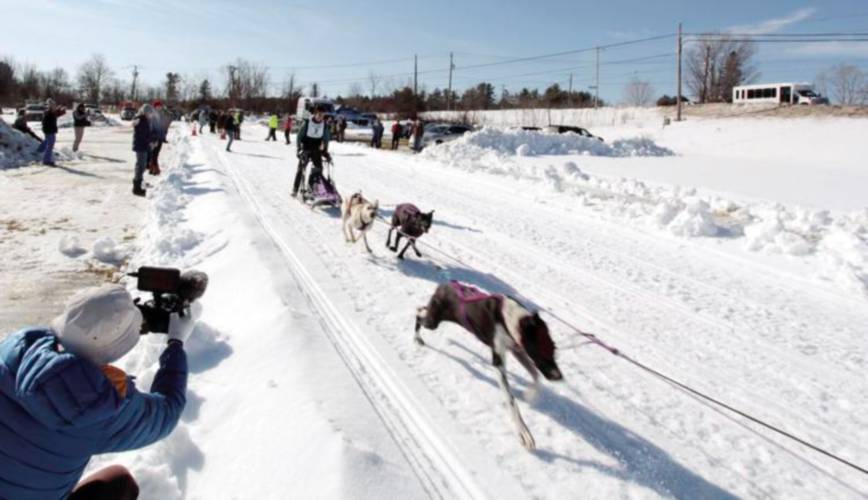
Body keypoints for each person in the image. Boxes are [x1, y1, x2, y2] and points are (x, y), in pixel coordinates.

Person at [0, 284, 200, 499]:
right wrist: (176, 342)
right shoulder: (95, 408)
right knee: (119, 483)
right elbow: (166, 413)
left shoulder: (15, 348)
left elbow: (69, 350)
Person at [292, 104, 331, 197]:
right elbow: (299, 136)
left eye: (323, 115)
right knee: (301, 168)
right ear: (315, 113)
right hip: (305, 147)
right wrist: (298, 149)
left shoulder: (324, 125)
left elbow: (326, 139)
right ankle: (295, 189)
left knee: (318, 168)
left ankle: (311, 187)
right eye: (319, 114)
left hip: (316, 149)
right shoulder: (307, 123)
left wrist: (325, 151)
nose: (321, 117)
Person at [132, 104, 153, 196]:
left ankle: (140, 182)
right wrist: (150, 142)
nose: (150, 114)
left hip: (143, 145)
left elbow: (147, 133)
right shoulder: (140, 119)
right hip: (140, 145)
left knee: (143, 165)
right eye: (148, 112)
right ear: (144, 112)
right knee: (140, 165)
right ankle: (136, 188)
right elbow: (142, 134)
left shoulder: (145, 120)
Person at [40, 98, 66, 166]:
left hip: (50, 131)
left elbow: (57, 114)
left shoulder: (50, 113)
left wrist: (61, 111)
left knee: (49, 145)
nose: (55, 107)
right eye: (54, 106)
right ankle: (46, 160)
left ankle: (45, 158)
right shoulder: (48, 113)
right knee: (50, 146)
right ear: (51, 106)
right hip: (49, 131)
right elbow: (46, 122)